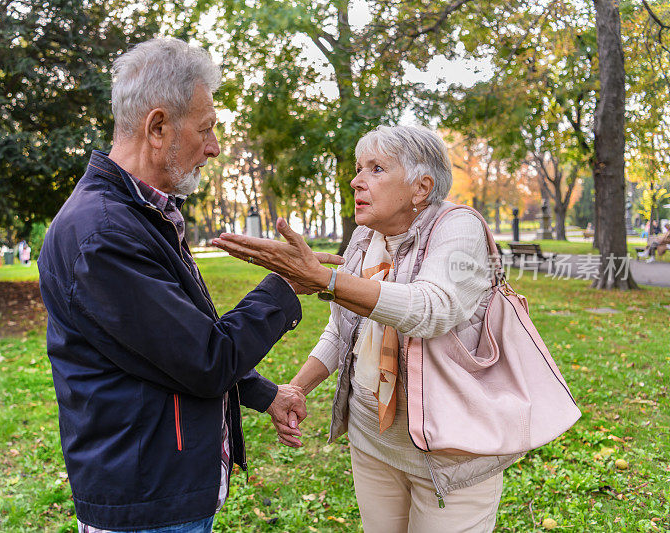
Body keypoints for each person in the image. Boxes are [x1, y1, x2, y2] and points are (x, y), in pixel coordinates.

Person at [37, 38, 341, 533]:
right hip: (146, 502)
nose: (215, 147)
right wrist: (287, 284)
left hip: (161, 486)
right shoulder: (103, 235)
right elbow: (204, 359)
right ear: (158, 127)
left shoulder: (138, 214)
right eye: (206, 130)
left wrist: (265, 394)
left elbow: (168, 345)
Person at [213, 125, 523, 533]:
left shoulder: (457, 227)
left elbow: (431, 309)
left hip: (450, 456)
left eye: (376, 169)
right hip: (372, 442)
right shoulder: (364, 237)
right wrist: (296, 390)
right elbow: (343, 331)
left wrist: (327, 281)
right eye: (359, 168)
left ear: (421, 187)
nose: (356, 180)